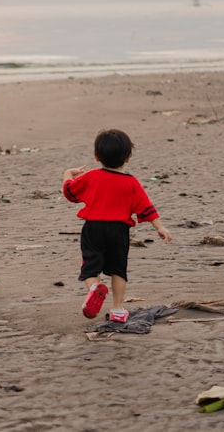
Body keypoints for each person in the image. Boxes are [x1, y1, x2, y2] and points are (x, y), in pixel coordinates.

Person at [62, 128, 172, 322]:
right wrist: (160, 227)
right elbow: (146, 207)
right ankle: (118, 309)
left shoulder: (92, 176)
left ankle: (94, 287)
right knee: (118, 269)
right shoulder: (131, 183)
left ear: (97, 157)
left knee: (90, 266)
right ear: (127, 158)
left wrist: (67, 173)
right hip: (119, 231)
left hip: (93, 228)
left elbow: (70, 193)